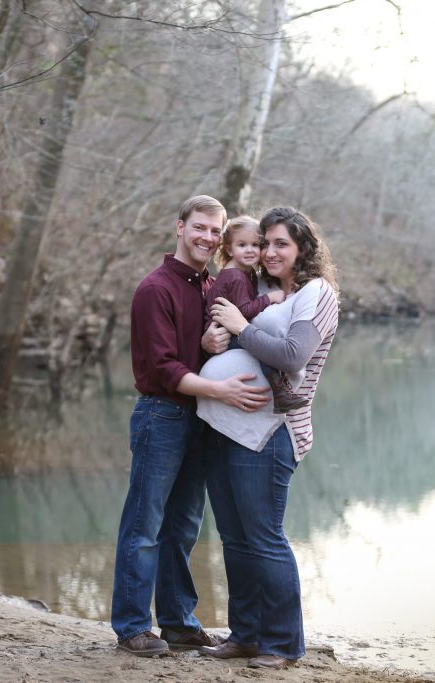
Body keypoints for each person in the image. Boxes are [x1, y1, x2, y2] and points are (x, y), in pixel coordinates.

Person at [110, 195, 270, 657]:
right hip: (161, 415)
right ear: (179, 227)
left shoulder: (212, 286)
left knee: (182, 527)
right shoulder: (155, 289)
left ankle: (179, 623)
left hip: (198, 418)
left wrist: (208, 345)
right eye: (199, 227)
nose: (206, 237)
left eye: (215, 231)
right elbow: (162, 367)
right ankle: (132, 627)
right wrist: (220, 391)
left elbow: (203, 351)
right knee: (144, 523)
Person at [196, 206, 340, 669]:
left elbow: (293, 355)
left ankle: (282, 643)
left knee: (263, 537)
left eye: (282, 243)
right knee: (234, 538)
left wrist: (240, 326)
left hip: (272, 432)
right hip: (226, 428)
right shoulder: (261, 290)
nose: (271, 251)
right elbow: (235, 339)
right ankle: (246, 634)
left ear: (303, 249)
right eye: (266, 242)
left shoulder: (316, 294)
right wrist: (214, 342)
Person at [204, 215, 308, 413]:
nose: (250, 250)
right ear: (229, 249)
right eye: (242, 245)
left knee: (259, 338)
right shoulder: (236, 276)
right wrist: (270, 298)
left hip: (227, 330)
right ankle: (280, 394)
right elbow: (242, 312)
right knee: (261, 344)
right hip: (223, 335)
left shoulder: (244, 271)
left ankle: (281, 390)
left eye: (256, 244)